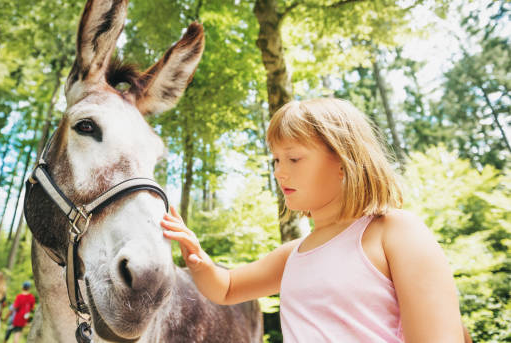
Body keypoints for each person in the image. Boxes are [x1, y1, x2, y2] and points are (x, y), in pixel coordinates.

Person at [161, 98, 469, 342]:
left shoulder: (395, 231)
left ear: (344, 161)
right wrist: (198, 258)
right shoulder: (293, 254)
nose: (279, 172)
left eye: (294, 158)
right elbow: (226, 289)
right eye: (276, 160)